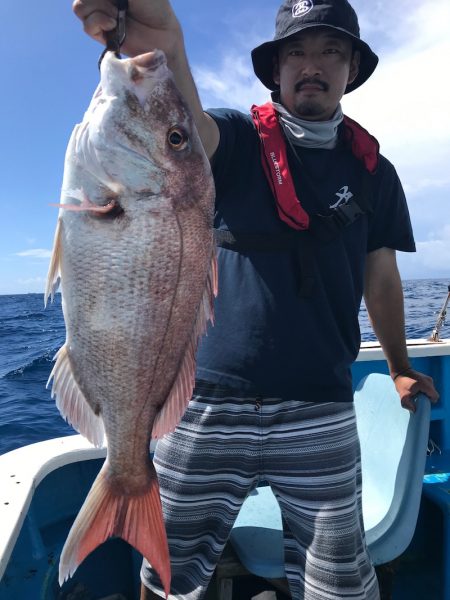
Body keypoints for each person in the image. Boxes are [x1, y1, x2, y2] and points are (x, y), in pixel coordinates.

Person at [73, 0, 439, 598]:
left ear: (352, 69)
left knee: (339, 582)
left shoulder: (377, 171)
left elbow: (382, 277)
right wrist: (163, 47)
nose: (312, 65)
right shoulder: (238, 139)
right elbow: (185, 130)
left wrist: (399, 368)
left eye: (331, 52)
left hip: (321, 403)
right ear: (276, 70)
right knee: (168, 577)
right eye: (296, 51)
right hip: (205, 400)